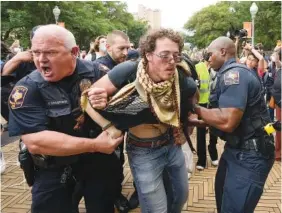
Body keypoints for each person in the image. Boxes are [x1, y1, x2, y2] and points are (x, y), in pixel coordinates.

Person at [8, 24, 123, 213]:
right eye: (36, 52)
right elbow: (35, 142)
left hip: (99, 165)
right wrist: (95, 144)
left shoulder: (100, 74)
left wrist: (110, 102)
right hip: (53, 169)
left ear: (74, 52)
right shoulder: (26, 89)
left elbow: (129, 111)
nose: (41, 60)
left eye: (50, 52)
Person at [87, 28, 198, 213]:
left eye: (176, 55)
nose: (171, 61)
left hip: (171, 145)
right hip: (143, 151)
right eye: (164, 55)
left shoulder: (180, 77)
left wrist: (185, 127)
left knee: (180, 197)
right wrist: (107, 124)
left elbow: (191, 97)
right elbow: (87, 99)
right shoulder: (128, 71)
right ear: (148, 55)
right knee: (157, 209)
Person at [191, 36, 275, 213]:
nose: (208, 57)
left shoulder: (233, 75)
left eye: (210, 53)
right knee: (224, 203)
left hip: (250, 155)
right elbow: (222, 118)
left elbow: (228, 121)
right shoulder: (227, 73)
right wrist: (196, 121)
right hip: (236, 149)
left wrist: (194, 108)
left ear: (222, 52)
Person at [73, 30, 131, 213]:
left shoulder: (124, 66)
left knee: (117, 166)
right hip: (97, 134)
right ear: (108, 47)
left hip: (117, 129)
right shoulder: (97, 69)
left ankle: (116, 194)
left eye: (128, 48)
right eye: (121, 48)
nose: (126, 52)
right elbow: (85, 101)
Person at [195, 51, 218, 170]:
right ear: (209, 58)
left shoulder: (218, 68)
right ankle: (201, 160)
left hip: (214, 104)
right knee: (200, 132)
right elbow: (195, 86)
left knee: (214, 131)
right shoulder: (197, 67)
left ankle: (213, 153)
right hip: (202, 104)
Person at [271, 48, 281, 161]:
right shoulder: (278, 67)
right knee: (278, 127)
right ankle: (278, 152)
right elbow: (277, 62)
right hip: (279, 103)